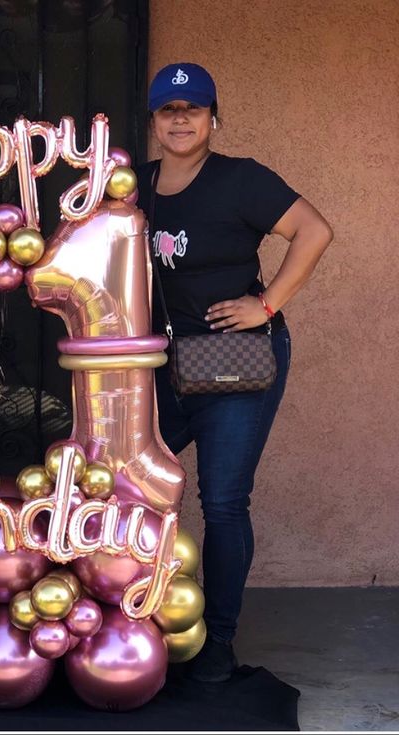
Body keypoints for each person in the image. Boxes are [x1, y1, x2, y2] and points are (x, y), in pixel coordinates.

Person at [137, 63, 333, 682]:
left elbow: (314, 230)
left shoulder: (240, 179)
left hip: (235, 362)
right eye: (168, 111)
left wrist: (266, 304)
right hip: (159, 364)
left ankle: (218, 640)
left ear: (213, 119)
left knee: (222, 501)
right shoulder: (133, 187)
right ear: (153, 122)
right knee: (126, 487)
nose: (179, 120)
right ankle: (130, 618)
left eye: (192, 110)